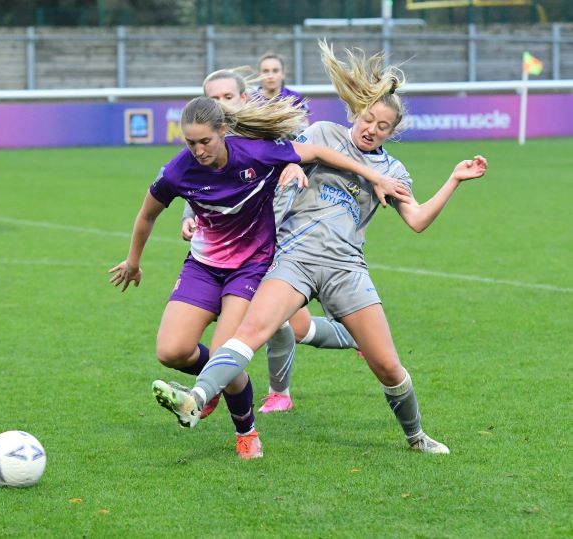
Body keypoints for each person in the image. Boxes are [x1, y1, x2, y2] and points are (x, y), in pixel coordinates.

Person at [152, 40, 489, 455]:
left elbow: (417, 220)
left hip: (346, 267)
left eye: (383, 126)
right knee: (251, 332)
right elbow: (284, 155)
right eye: (368, 118)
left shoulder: (392, 170)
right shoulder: (324, 133)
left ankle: (416, 436)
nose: (372, 129)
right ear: (355, 112)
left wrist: (453, 180)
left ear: (393, 132)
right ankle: (197, 399)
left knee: (386, 364)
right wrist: (292, 166)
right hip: (292, 258)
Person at [109, 96, 405, 459]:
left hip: (251, 267)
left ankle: (245, 432)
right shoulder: (177, 171)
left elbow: (317, 153)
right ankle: (213, 382)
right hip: (203, 266)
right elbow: (146, 215)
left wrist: (374, 175)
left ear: (224, 131)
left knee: (225, 351)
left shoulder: (257, 153)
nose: (198, 150)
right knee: (171, 351)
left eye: (206, 141)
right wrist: (133, 261)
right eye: (190, 143)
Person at [193, 68, 361, 418]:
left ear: (243, 98)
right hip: (229, 247)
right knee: (291, 326)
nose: (219, 104)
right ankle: (359, 336)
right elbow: (194, 185)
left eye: (227, 97)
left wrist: (294, 168)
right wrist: (187, 219)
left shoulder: (263, 135)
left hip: (276, 238)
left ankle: (270, 392)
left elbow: (305, 153)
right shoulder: (206, 140)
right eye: (213, 98)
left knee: (283, 325)